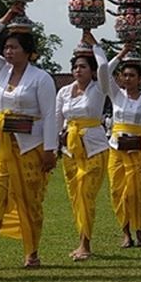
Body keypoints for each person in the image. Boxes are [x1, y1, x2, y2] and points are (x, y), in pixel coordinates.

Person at [0, 8, 58, 270]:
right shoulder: (1, 72)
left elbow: (50, 116)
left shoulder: (41, 78)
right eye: (6, 47)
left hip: (30, 147)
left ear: (28, 52)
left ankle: (31, 252)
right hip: (0, 148)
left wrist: (50, 150)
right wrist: (4, 20)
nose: (8, 52)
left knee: (29, 200)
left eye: (14, 48)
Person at [56, 34, 109, 261]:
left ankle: (85, 243)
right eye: (75, 67)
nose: (78, 71)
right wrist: (53, 147)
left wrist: (93, 43)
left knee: (87, 194)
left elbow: (105, 66)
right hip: (71, 150)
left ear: (92, 71)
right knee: (75, 195)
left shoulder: (99, 89)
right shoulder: (64, 92)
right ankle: (81, 239)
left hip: (94, 147)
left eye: (83, 67)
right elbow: (57, 120)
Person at [100, 48, 141, 247]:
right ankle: (126, 233)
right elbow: (104, 71)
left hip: (137, 151)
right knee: (117, 192)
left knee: (135, 193)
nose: (128, 79)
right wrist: (120, 54)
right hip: (116, 149)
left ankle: (140, 230)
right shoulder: (116, 95)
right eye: (124, 75)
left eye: (132, 75)